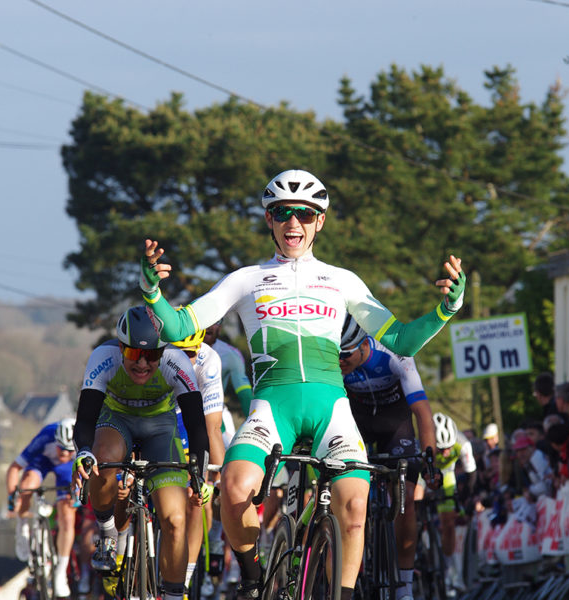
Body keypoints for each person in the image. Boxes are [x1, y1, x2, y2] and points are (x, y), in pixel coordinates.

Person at [139, 169, 466, 600]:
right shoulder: (247, 278)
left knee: (355, 507)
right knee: (234, 489)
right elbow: (180, 326)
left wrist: (447, 308)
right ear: (269, 220)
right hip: (271, 409)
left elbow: (402, 340)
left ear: (320, 221)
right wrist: (152, 293)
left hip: (332, 409)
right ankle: (253, 578)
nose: (294, 223)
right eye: (282, 213)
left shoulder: (343, 280)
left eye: (305, 214)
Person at [71, 306, 210, 600]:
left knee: (175, 519)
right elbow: (85, 420)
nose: (143, 363)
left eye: (152, 355)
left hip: (161, 429)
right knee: (102, 457)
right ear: (122, 348)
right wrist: (83, 451)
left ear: (163, 352)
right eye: (135, 354)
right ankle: (108, 533)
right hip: (116, 420)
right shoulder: (103, 357)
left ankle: (173, 595)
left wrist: (200, 472)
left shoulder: (176, 361)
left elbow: (198, 426)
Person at [338, 315, 437, 600]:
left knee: (405, 499)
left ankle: (404, 585)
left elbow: (423, 413)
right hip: (358, 422)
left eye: (345, 355)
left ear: (363, 345)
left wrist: (430, 460)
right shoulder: (336, 361)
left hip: (395, 423)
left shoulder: (394, 354)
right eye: (337, 354)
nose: (340, 360)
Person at [170, 327, 227, 592]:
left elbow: (212, 427)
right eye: (180, 352)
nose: (186, 359)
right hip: (157, 414)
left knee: (197, 497)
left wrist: (219, 478)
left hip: (191, 419)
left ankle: (185, 579)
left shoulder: (209, 359)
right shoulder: (158, 354)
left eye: (191, 353)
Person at [5, 418, 76, 598]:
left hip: (69, 469)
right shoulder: (46, 436)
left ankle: (61, 572)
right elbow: (14, 468)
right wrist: (12, 497)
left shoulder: (82, 444)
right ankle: (23, 526)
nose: (64, 453)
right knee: (27, 485)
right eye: (61, 448)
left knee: (68, 516)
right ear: (55, 441)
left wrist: (77, 494)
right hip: (42, 461)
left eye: (69, 450)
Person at [431, 412, 476, 595]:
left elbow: (471, 474)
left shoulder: (463, 443)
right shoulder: (425, 442)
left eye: (448, 448)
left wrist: (465, 498)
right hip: (426, 472)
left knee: (449, 525)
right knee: (415, 499)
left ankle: (449, 573)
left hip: (447, 474)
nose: (446, 453)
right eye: (441, 449)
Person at [203, 320, 254, 419]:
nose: (209, 326)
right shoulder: (177, 348)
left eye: (215, 322)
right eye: (205, 320)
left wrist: (253, 421)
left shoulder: (230, 354)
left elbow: (245, 394)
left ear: (220, 328)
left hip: (214, 411)